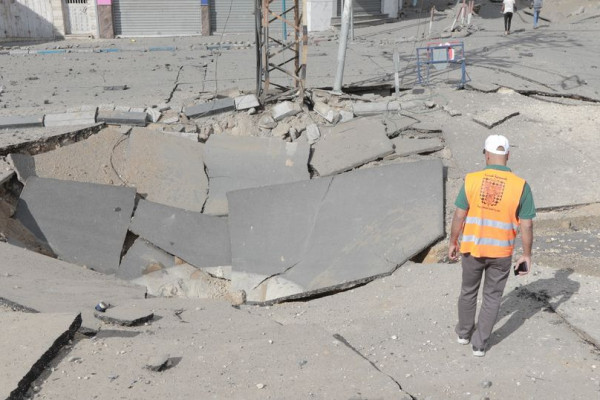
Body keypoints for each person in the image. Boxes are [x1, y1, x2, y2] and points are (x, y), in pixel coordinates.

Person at [448, 134, 536, 357]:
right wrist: (526, 254)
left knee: (468, 291)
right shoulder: (521, 186)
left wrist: (453, 241)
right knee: (493, 296)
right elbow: (526, 225)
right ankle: (479, 345)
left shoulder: (471, 180)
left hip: (472, 250)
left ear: (486, 154)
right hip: (501, 253)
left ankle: (463, 334)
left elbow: (459, 215)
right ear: (508, 155)